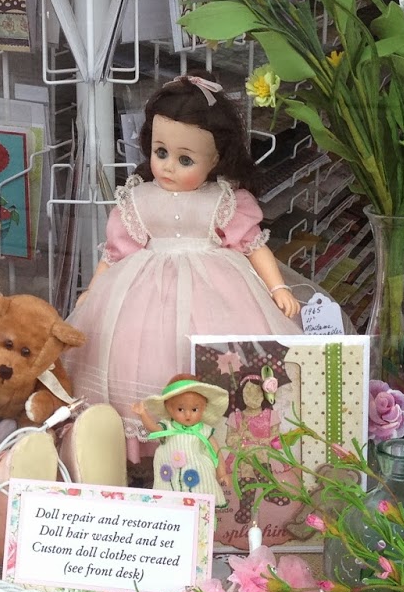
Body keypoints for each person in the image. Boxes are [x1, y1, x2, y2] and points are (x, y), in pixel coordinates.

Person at [68, 73, 301, 443]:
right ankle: (146, 436)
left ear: (216, 159)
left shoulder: (224, 200)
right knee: (137, 355)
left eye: (185, 159)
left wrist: (277, 287)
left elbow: (253, 244)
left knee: (220, 355)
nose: (168, 166)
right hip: (142, 293)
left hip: (217, 289)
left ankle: (221, 434)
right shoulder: (139, 198)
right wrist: (92, 292)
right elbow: (115, 253)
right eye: (161, 152)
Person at [133, 375, 228, 504]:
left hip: (200, 478)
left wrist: (222, 474)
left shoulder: (204, 430)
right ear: (169, 409)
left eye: (194, 409)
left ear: (203, 408)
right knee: (169, 501)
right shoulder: (168, 427)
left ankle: (201, 513)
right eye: (180, 409)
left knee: (200, 501)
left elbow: (216, 453)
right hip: (170, 477)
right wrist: (143, 414)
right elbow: (154, 429)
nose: (188, 415)